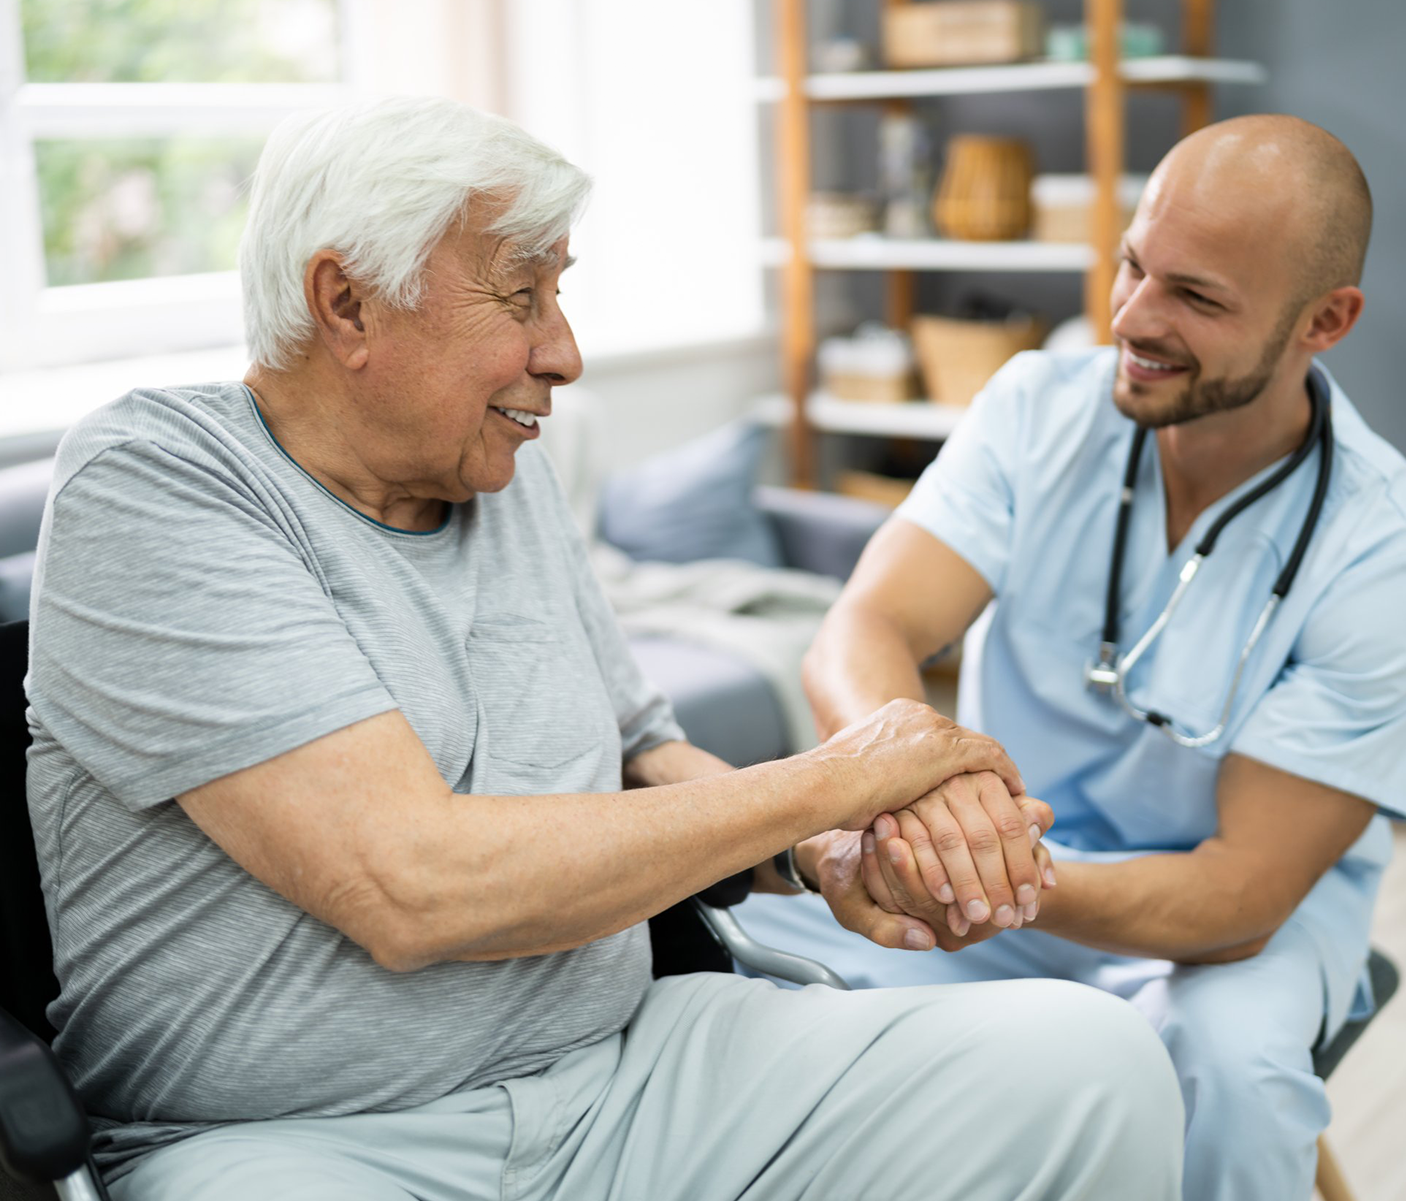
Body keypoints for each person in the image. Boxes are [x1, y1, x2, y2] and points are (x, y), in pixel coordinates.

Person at [23, 96, 1184, 1200]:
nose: (564, 352)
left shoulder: (498, 474)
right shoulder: (156, 484)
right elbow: (408, 885)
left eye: (557, 294)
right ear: (347, 303)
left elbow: (643, 751)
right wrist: (843, 774)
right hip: (301, 1146)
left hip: (631, 1077)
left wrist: (828, 850)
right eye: (520, 295)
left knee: (1093, 1064)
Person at [735, 115, 1406, 1201]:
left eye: (1196, 297)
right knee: (745, 970)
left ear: (1326, 320)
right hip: (1001, 868)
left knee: (1231, 1075)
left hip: (1224, 929)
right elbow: (866, 630)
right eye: (1133, 264)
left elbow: (1237, 896)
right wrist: (914, 783)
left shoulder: (1388, 555)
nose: (1132, 317)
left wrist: (979, 869)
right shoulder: (1036, 408)